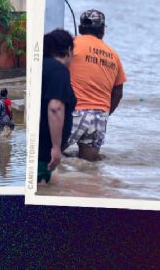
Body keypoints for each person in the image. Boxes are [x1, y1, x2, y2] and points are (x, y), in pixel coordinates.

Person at [65, 10, 126, 161]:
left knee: (45, 156)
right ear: (102, 30)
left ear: (80, 28)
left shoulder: (70, 45)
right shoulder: (113, 55)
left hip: (74, 113)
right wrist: (104, 114)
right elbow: (118, 92)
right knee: (88, 169)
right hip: (99, 118)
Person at [38, 29, 77, 184]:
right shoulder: (59, 70)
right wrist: (56, 147)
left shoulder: (42, 66)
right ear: (68, 50)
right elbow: (55, 108)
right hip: (43, 151)